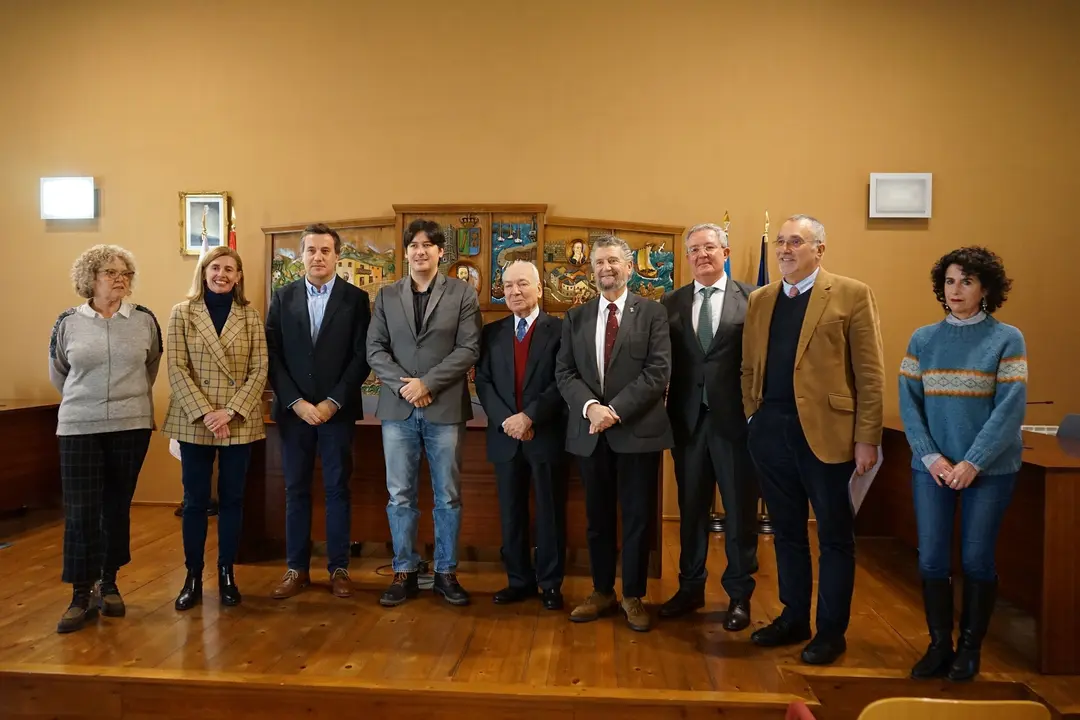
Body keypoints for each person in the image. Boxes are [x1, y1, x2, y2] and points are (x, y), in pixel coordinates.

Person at [741, 214, 884, 665]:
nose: (784, 249)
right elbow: (749, 367)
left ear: (819, 249)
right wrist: (753, 416)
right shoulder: (762, 298)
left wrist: (867, 438)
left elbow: (871, 374)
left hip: (830, 435)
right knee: (785, 532)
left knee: (835, 536)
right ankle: (793, 617)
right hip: (771, 431)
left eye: (795, 241)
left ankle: (830, 631)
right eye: (780, 241)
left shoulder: (851, 294)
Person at [899, 246, 1026, 682]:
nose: (956, 290)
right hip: (932, 468)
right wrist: (931, 457)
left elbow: (1009, 410)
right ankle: (939, 645)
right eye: (950, 281)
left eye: (967, 281)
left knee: (976, 560)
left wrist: (972, 463)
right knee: (932, 559)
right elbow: (910, 406)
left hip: (988, 472)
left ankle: (970, 649)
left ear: (985, 288)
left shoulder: (1007, 338)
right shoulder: (922, 339)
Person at [555, 235, 673, 632]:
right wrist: (592, 408)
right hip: (591, 433)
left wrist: (615, 411)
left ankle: (633, 595)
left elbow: (658, 373)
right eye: (599, 263)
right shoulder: (576, 317)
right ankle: (602, 590)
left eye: (613, 262)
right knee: (597, 518)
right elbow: (564, 373)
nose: (606, 268)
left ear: (629, 268)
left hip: (637, 432)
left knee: (637, 517)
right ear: (592, 271)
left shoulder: (654, 313)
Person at [367, 219, 482, 607]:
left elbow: (468, 349)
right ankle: (404, 571)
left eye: (428, 245)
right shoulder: (386, 295)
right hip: (397, 409)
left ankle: (446, 573)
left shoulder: (462, 293)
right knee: (399, 495)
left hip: (444, 406)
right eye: (414, 245)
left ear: (440, 253)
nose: (420, 251)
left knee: (447, 495)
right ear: (406, 252)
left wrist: (427, 383)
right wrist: (404, 385)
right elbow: (375, 350)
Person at [48, 245, 161, 633]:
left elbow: (151, 366)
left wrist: (126, 403)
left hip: (131, 425)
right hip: (80, 426)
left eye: (125, 273)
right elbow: (60, 373)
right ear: (90, 279)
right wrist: (90, 402)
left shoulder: (144, 320)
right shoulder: (68, 322)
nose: (120, 279)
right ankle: (81, 593)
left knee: (115, 507)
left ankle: (109, 582)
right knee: (81, 512)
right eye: (110, 272)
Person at [659, 223, 759, 631]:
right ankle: (690, 587)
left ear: (726, 251)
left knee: (739, 513)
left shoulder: (753, 299)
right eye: (695, 249)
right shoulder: (671, 302)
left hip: (735, 423)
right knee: (691, 511)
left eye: (710, 248)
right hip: (687, 423)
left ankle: (739, 595)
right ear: (687, 257)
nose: (702, 255)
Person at [265, 224, 371, 600]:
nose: (318, 257)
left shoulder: (356, 300)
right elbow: (272, 355)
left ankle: (339, 568)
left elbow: (362, 357)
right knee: (295, 489)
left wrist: (330, 403)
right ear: (301, 256)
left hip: (336, 414)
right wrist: (297, 402)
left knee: (337, 489)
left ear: (337, 257)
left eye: (325, 251)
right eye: (311, 250)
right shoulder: (282, 298)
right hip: (294, 414)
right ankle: (296, 569)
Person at [163, 246, 268, 610]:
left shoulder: (250, 316)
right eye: (215, 267)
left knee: (233, 500)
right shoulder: (182, 313)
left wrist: (231, 411)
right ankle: (193, 574)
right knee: (194, 502)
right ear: (204, 272)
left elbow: (260, 370)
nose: (222, 274)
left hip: (238, 422)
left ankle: (226, 573)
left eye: (230, 269)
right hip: (195, 421)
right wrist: (207, 413)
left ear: (239, 276)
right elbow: (176, 369)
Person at [475, 260, 567, 610]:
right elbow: (482, 381)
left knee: (549, 511)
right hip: (505, 438)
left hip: (544, 434)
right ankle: (518, 580)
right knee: (510, 513)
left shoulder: (560, 330)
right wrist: (506, 421)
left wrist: (529, 417)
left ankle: (550, 583)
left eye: (523, 284)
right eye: (508, 285)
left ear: (539, 288)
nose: (514, 291)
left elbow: (563, 381)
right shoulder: (492, 332)